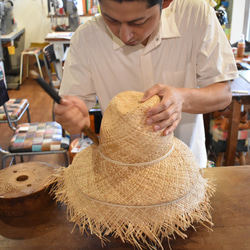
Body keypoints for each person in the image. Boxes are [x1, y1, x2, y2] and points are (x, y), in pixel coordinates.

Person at [55, 0, 238, 168]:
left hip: (186, 166)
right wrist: (71, 116)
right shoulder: (86, 38)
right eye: (110, 19)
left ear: (165, 3)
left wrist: (181, 99)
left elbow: (223, 93)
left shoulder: (196, 16)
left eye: (139, 22)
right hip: (123, 171)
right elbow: (71, 109)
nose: (125, 36)